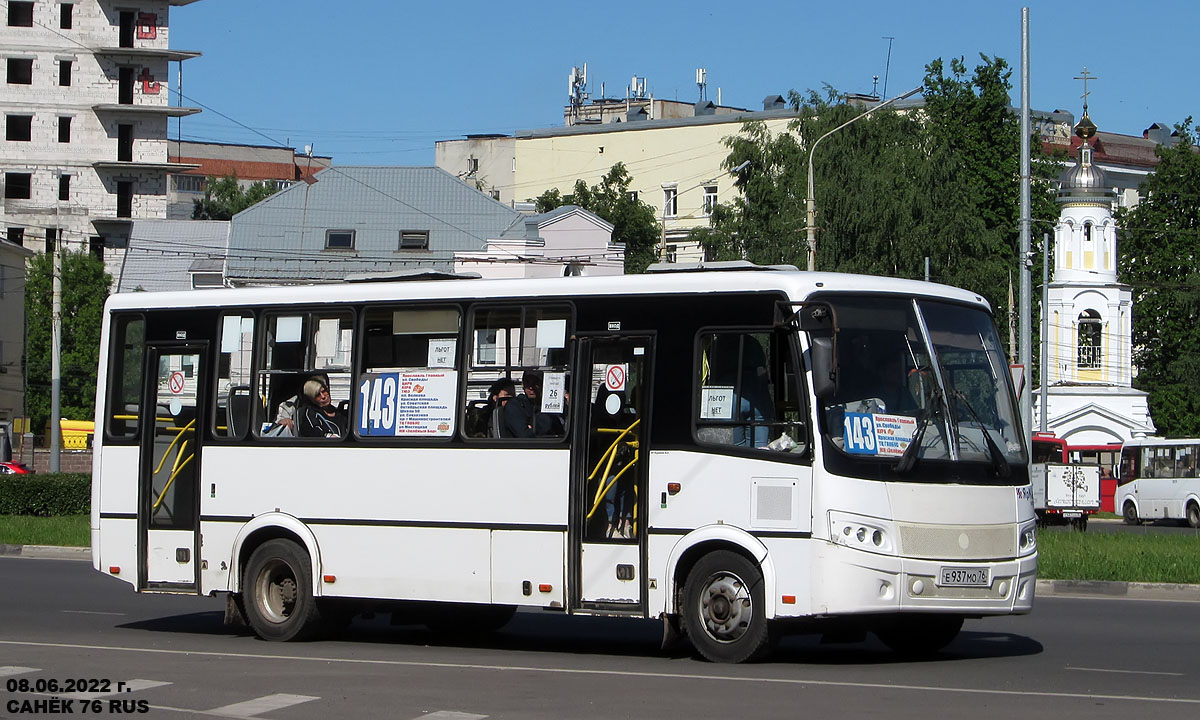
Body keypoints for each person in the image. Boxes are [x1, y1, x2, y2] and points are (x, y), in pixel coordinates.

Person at [504, 370, 563, 438]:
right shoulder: (514, 406)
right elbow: (525, 435)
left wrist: (533, 427)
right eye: (528, 383)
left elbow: (559, 432)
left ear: (542, 384)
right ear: (522, 384)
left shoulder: (547, 404)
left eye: (535, 383)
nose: (531, 387)